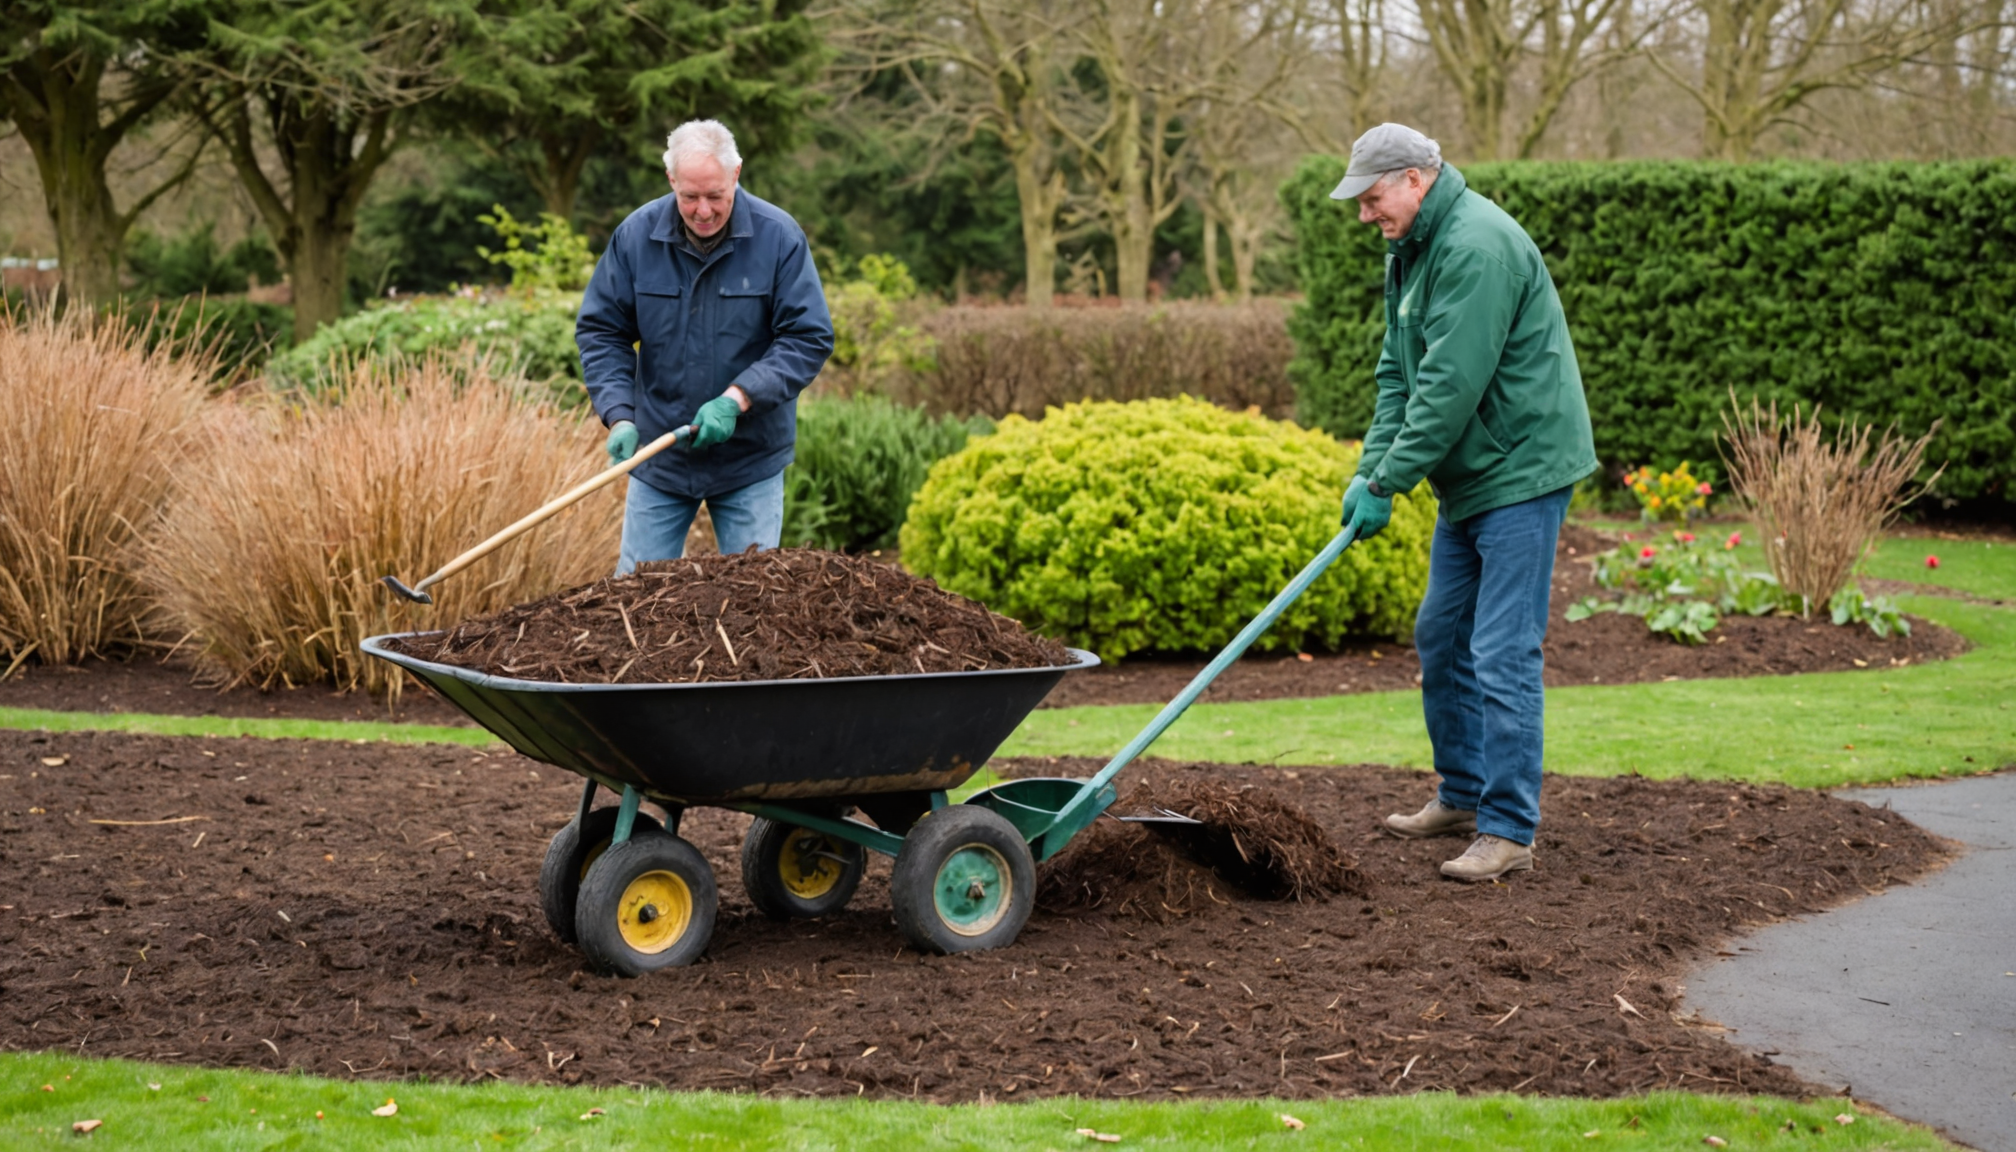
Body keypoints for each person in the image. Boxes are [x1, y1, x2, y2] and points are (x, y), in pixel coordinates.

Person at [1332, 123, 1598, 882]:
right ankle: (1462, 793)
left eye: (1373, 198)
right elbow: (1399, 374)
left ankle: (1508, 829)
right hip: (1472, 472)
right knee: (1442, 634)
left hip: (1521, 467)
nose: (1365, 214)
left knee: (1502, 649)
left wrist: (1390, 482)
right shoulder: (1412, 249)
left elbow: (1449, 388)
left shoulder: (1476, 246)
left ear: (1415, 180)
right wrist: (1370, 472)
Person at [577, 119, 834, 572]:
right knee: (636, 595)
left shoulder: (779, 238)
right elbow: (603, 330)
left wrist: (739, 398)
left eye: (715, 196)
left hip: (749, 456)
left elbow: (807, 336)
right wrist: (619, 414)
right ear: (671, 180)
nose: (702, 211)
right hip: (660, 453)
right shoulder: (635, 237)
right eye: (689, 196)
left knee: (753, 593)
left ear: (736, 174)